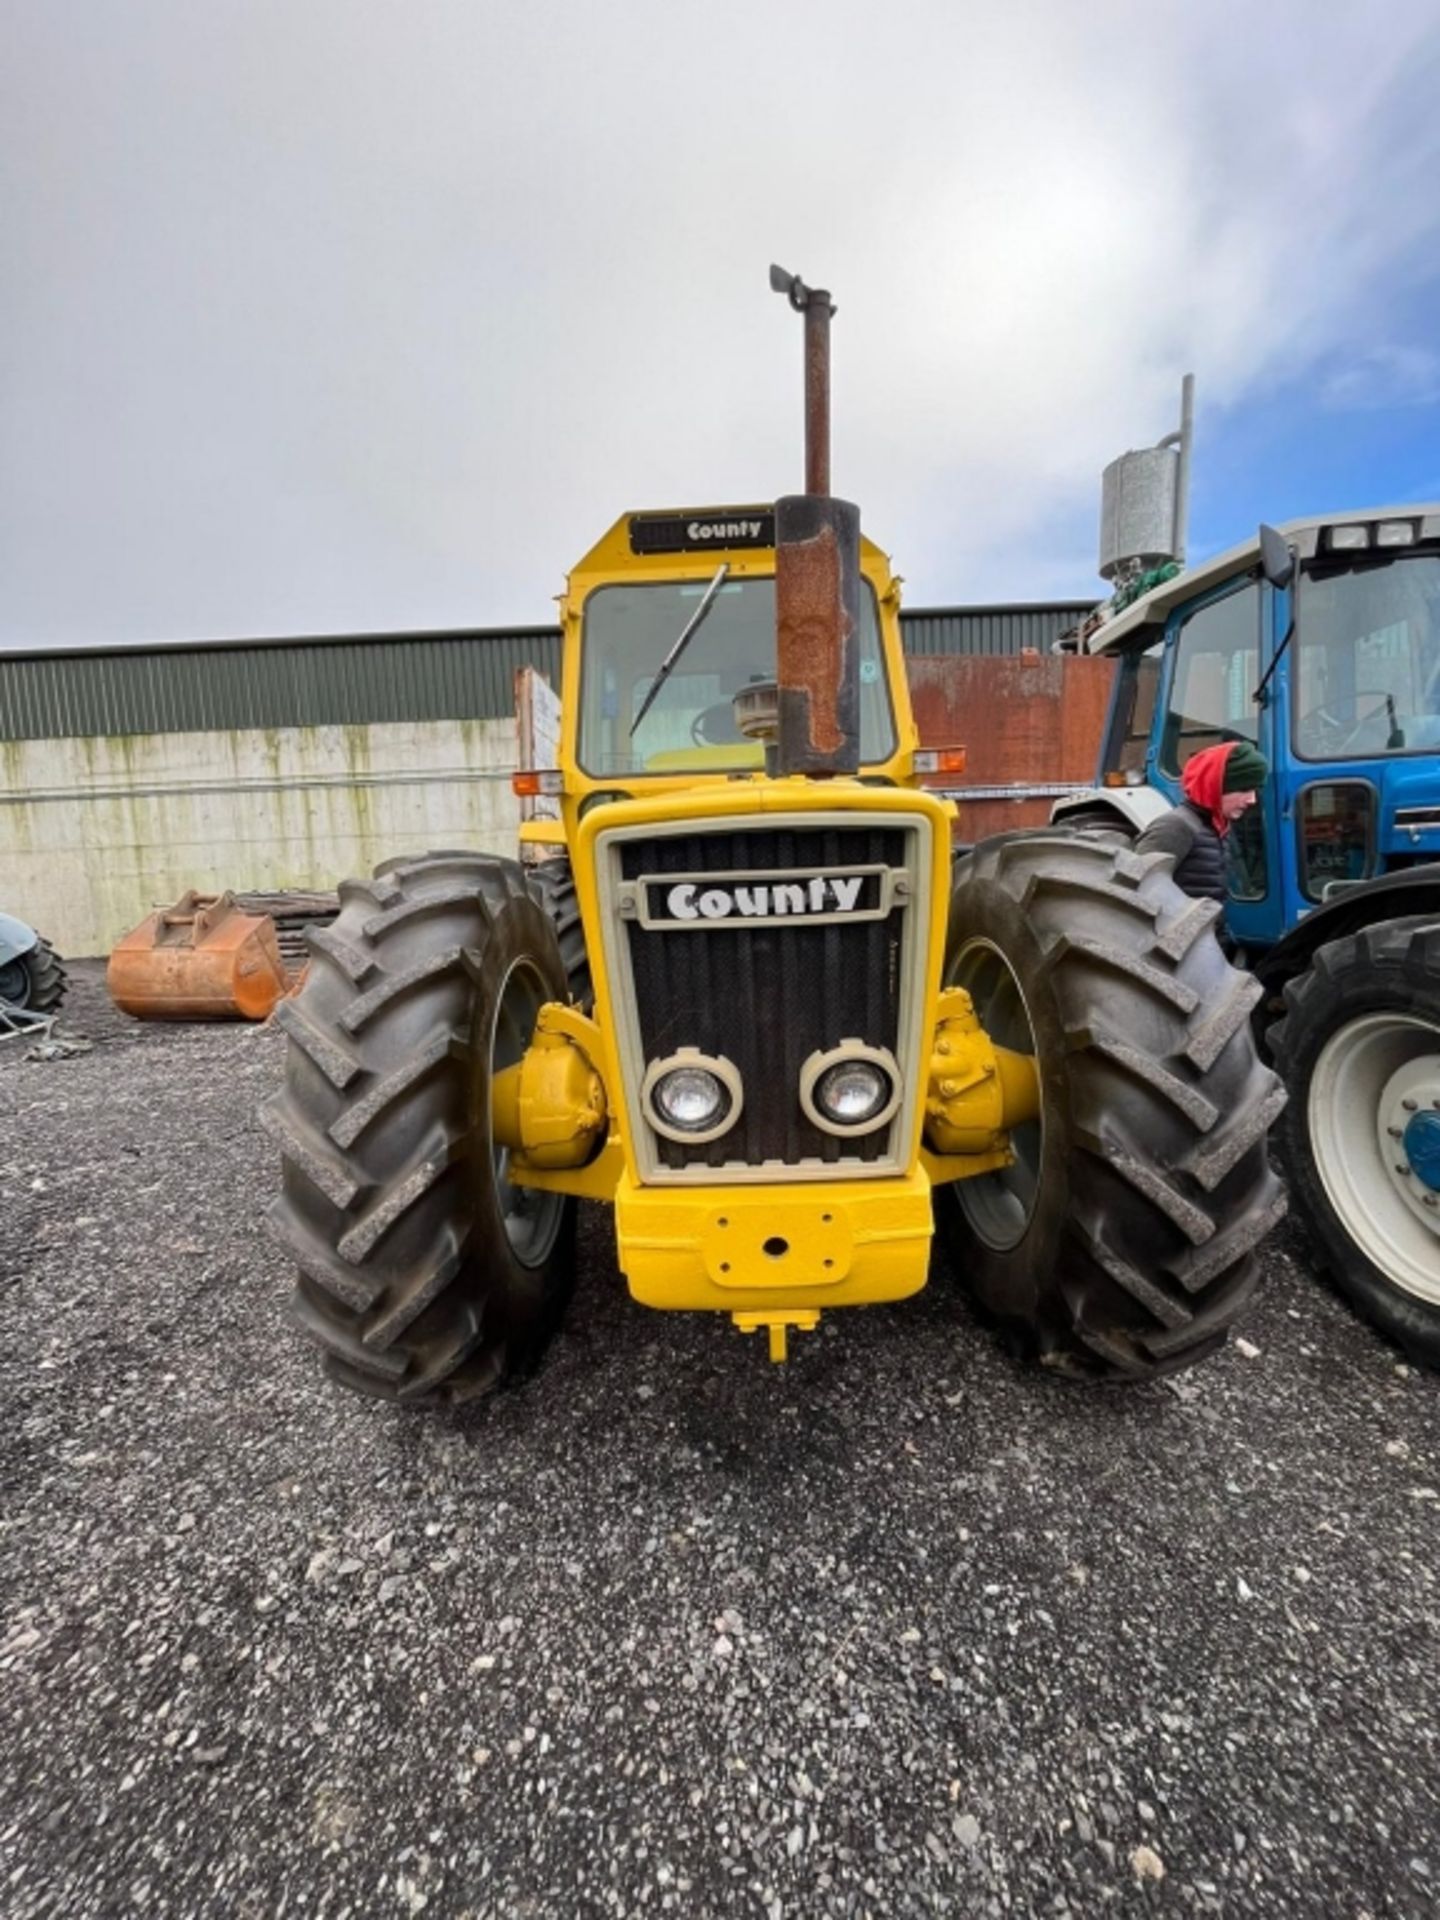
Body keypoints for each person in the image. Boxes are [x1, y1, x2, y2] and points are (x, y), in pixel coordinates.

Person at [1133, 740, 1268, 920]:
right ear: (1214, 786)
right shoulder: (1175, 827)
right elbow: (1134, 893)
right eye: (1243, 789)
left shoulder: (1217, 829)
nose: (1252, 800)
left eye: (1255, 790)